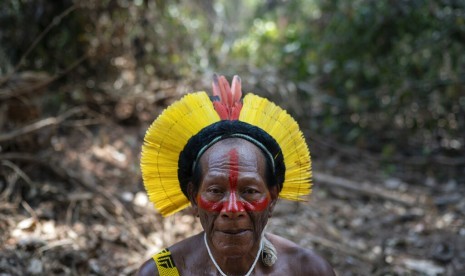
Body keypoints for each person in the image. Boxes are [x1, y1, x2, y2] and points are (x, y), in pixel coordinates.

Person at [138, 74, 335, 275]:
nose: (232, 209)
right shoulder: (163, 271)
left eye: (249, 191)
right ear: (193, 198)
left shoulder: (307, 269)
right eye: (215, 190)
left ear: (273, 197)